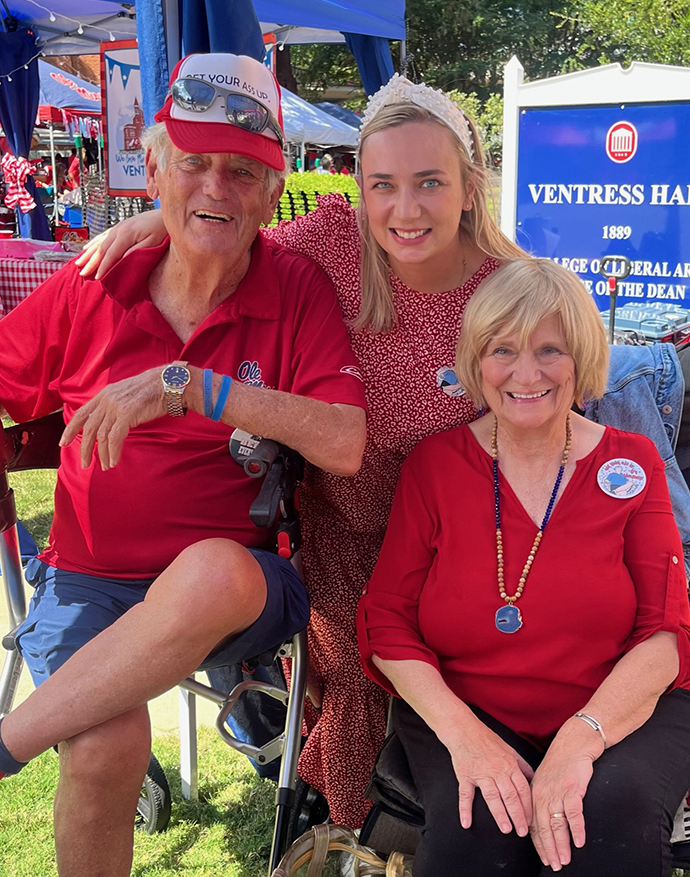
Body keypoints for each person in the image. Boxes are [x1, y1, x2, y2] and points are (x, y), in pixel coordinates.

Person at [77, 73, 525, 825]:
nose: (405, 210)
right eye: (383, 184)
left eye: (430, 183)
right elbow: (229, 224)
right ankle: (360, 832)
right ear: (360, 187)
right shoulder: (336, 242)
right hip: (349, 545)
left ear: (470, 187)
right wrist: (151, 225)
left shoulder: (510, 290)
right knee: (365, 663)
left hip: (479, 548)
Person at [0, 52, 367, 877]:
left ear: (274, 192)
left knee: (210, 571)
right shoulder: (95, 283)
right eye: (193, 162)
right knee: (105, 736)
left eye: (243, 171)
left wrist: (190, 387)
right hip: (90, 578)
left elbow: (344, 443)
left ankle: (3, 747)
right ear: (154, 164)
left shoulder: (297, 285)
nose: (215, 188)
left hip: (238, 593)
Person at [358, 257, 690, 877]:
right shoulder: (434, 467)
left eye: (550, 351)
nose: (526, 373)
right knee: (473, 837)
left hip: (618, 706)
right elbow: (387, 624)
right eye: (502, 350)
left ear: (581, 358)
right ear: (476, 361)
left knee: (605, 826)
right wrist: (466, 738)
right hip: (470, 706)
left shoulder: (633, 462)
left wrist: (581, 740)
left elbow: (664, 635)